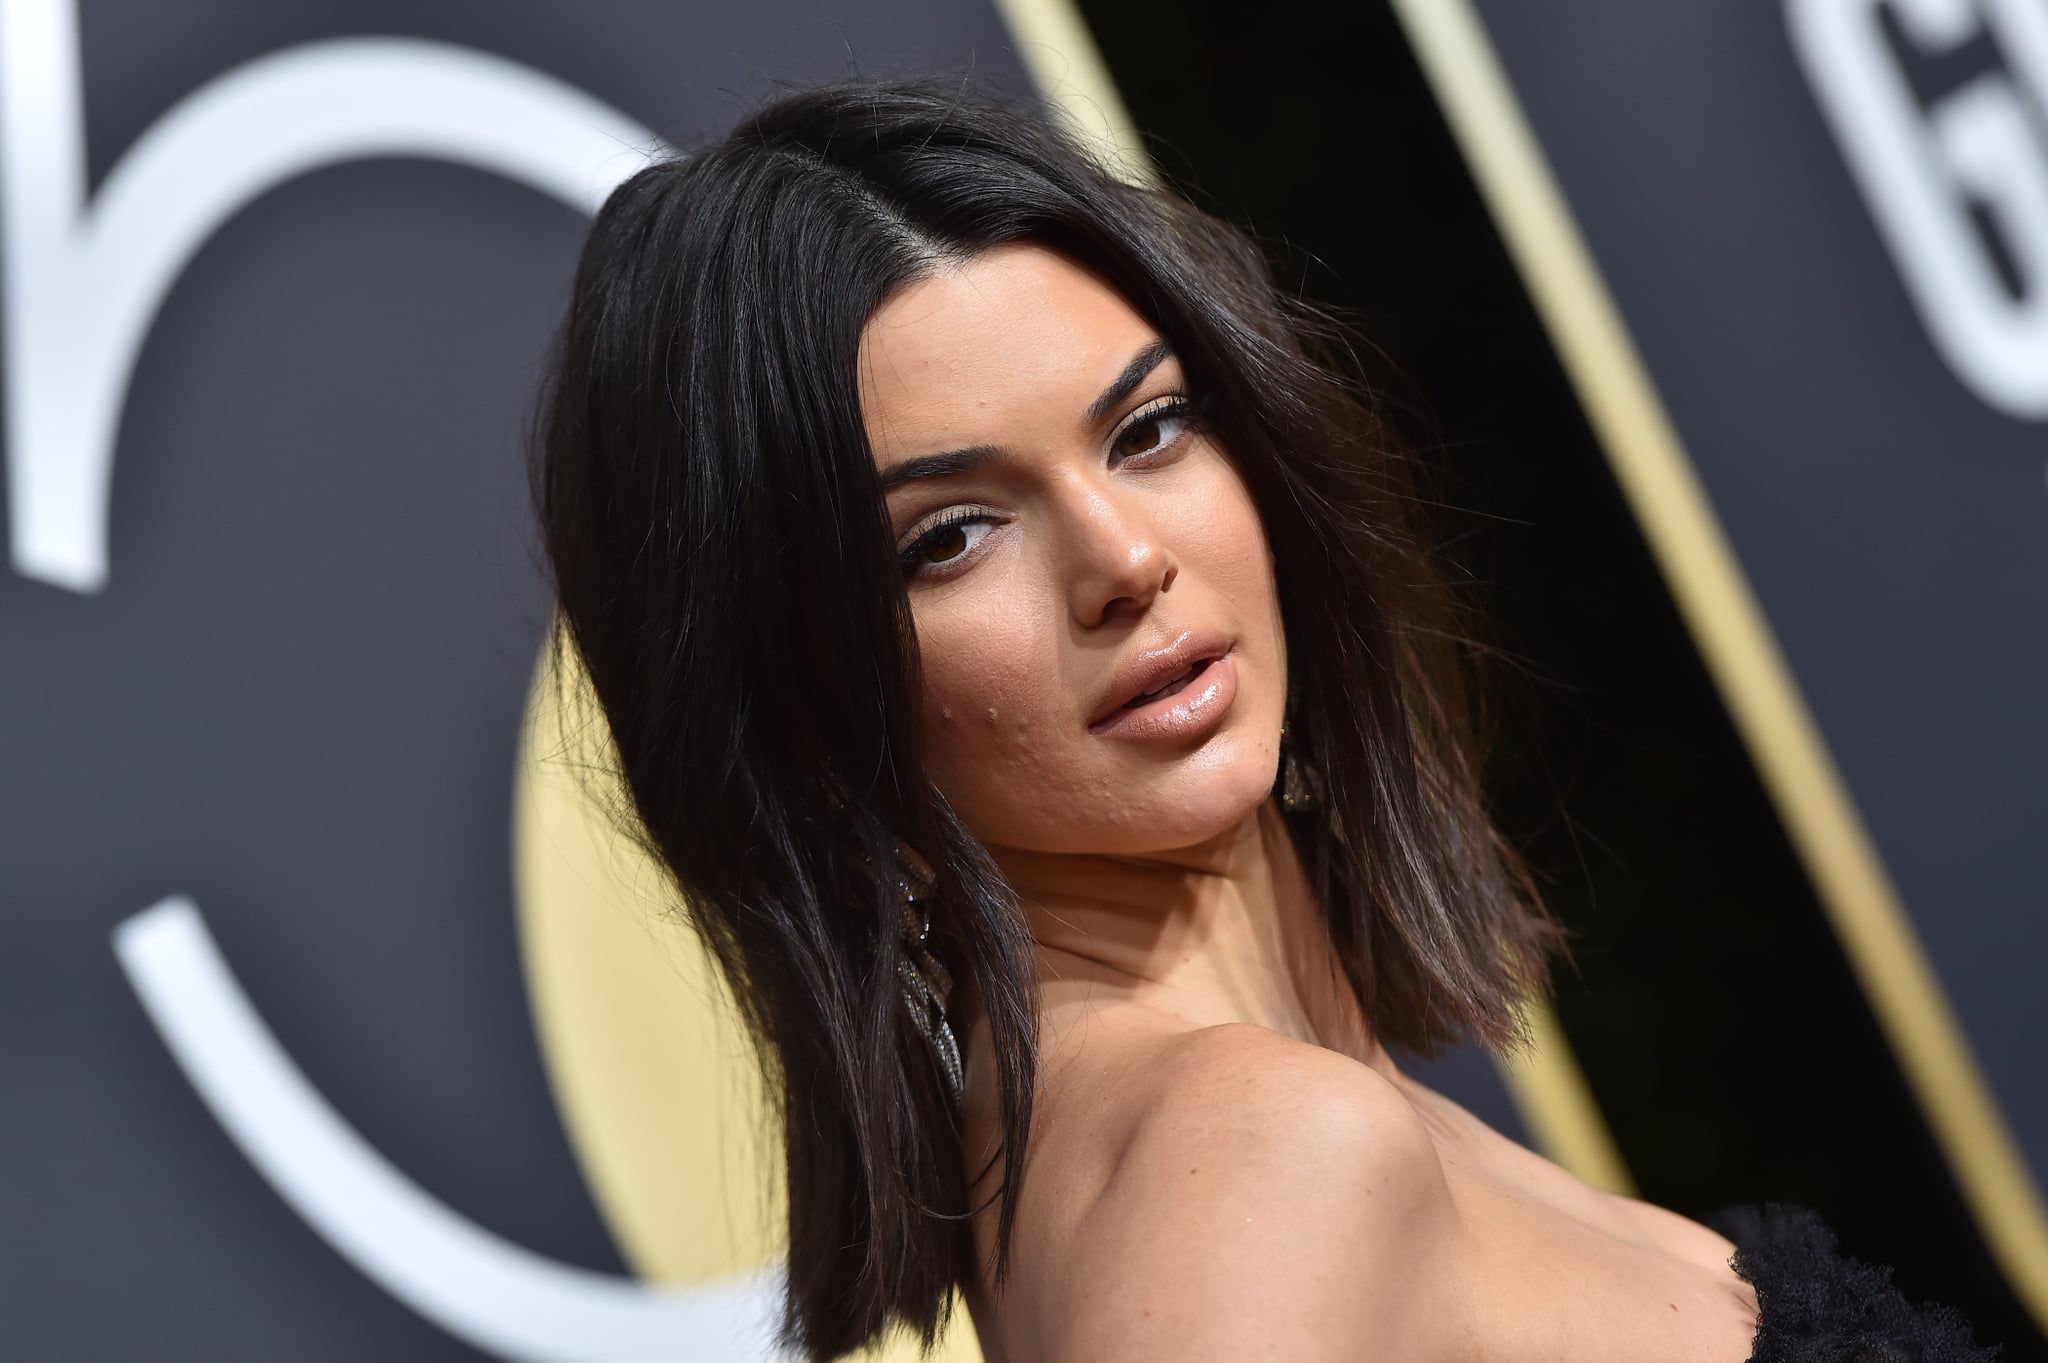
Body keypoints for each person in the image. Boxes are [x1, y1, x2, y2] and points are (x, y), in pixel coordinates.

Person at [530, 77, 1999, 1363]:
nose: (1124, 561)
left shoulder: (1227, 1135)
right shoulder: (1250, 1162)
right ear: (799, 707)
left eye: (1149, 429)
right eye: (949, 538)